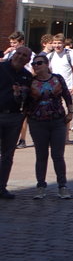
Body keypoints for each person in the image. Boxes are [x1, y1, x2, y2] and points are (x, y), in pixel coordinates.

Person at [24, 52, 73, 198]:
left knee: (58, 155)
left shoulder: (57, 79)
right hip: (37, 122)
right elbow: (25, 101)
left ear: (47, 65)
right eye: (34, 64)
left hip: (57, 120)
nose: (36, 66)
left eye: (39, 63)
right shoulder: (30, 81)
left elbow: (67, 96)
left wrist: (70, 113)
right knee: (41, 155)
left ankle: (62, 186)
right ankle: (40, 186)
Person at [0, 45, 33, 199]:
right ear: (13, 54)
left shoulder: (27, 76)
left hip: (13, 118)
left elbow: (29, 99)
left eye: (24, 55)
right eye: (18, 53)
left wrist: (23, 114)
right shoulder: (1, 68)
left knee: (7, 155)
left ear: (28, 59)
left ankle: (1, 187)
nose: (20, 57)